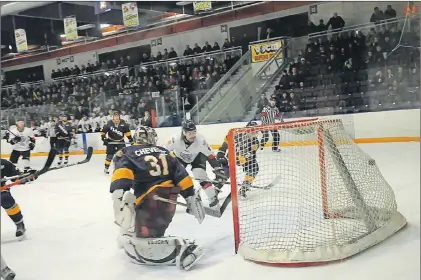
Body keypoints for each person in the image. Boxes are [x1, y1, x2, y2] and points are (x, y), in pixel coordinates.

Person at [110, 126, 205, 271]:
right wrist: (190, 197)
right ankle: (162, 242)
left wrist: (121, 202)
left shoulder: (127, 152)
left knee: (139, 242)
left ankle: (183, 248)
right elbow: (182, 175)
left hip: (149, 200)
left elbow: (122, 177)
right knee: (148, 234)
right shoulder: (165, 151)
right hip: (169, 199)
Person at [165, 120, 226, 208]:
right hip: (179, 158)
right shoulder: (175, 140)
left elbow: (210, 155)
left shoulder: (201, 141)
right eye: (189, 133)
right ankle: (170, 197)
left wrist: (217, 167)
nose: (192, 135)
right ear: (184, 132)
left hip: (197, 158)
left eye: (194, 132)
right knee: (175, 177)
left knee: (200, 175)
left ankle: (213, 198)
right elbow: (164, 151)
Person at [217, 121, 261, 198]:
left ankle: (244, 188)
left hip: (244, 159)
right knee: (226, 172)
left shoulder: (255, 143)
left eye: (255, 132)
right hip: (232, 156)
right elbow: (227, 139)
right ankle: (216, 189)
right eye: (252, 132)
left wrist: (244, 161)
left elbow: (250, 155)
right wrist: (221, 151)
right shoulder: (237, 134)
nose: (253, 134)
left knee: (254, 168)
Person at [0, 158, 33, 238]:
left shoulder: (3, 163)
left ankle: (20, 224)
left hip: (1, 189)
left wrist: (25, 178)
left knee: (5, 199)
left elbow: (16, 175)